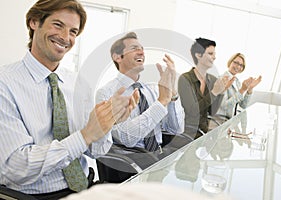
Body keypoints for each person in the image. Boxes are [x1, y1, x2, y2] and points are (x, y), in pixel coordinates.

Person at [0, 0, 138, 199]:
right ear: (34, 22)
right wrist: (85, 135)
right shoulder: (5, 83)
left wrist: (107, 123)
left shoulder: (78, 83)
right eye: (58, 25)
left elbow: (96, 151)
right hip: (32, 196)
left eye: (73, 31)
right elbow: (16, 167)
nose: (65, 37)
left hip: (84, 188)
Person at [96, 32, 185, 167]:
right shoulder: (106, 93)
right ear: (118, 57)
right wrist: (161, 103)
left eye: (142, 49)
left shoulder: (153, 89)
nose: (141, 52)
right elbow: (126, 138)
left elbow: (176, 129)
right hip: (131, 164)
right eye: (134, 48)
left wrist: (172, 94)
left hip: (158, 159)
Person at [178, 37, 234, 139]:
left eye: (214, 54)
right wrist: (213, 93)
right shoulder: (185, 79)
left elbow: (211, 112)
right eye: (210, 53)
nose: (214, 57)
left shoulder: (212, 79)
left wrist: (221, 92)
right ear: (198, 55)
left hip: (204, 132)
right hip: (187, 133)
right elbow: (192, 110)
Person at [216, 53, 262, 119]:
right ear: (230, 62)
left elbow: (242, 105)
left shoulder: (237, 82)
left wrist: (249, 90)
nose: (238, 66)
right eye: (236, 63)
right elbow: (224, 106)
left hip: (230, 121)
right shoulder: (221, 79)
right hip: (220, 121)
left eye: (241, 65)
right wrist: (242, 90)